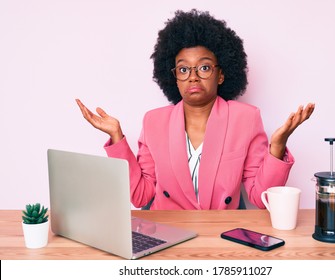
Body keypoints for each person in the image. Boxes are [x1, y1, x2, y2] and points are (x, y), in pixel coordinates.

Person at [76, 9, 315, 210]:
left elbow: (259, 198)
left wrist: (277, 147)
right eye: (183, 69)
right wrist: (117, 137)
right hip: (167, 235)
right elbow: (141, 196)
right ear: (173, 78)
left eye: (204, 68)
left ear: (221, 74)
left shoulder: (246, 118)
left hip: (220, 235)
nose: (192, 77)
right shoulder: (153, 122)